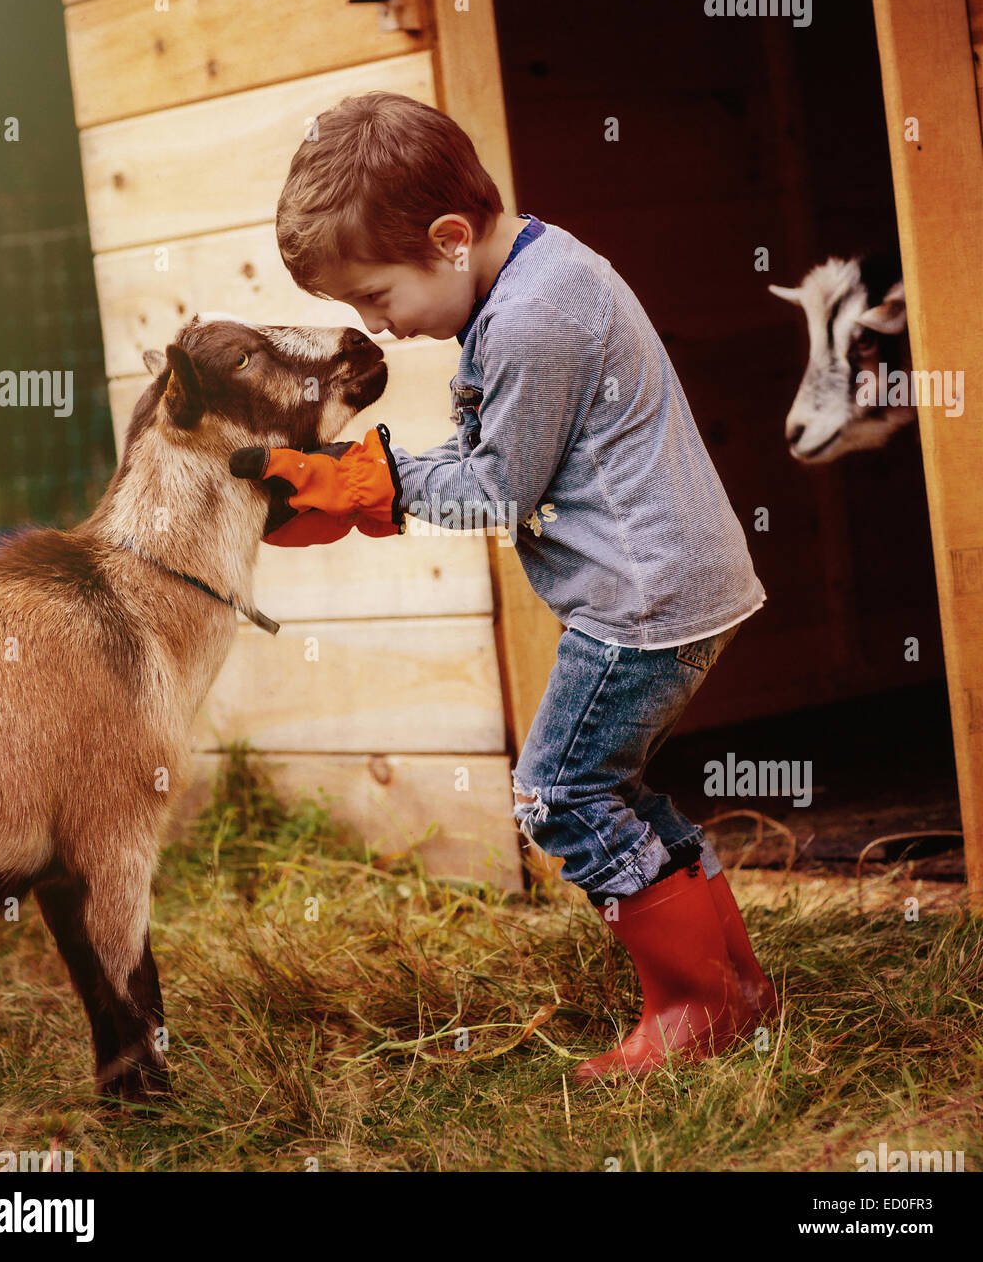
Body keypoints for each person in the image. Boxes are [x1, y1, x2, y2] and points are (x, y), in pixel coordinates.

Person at [229, 90, 779, 1080]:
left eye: (375, 296)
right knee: (602, 784)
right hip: (655, 588)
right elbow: (497, 461)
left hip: (641, 602)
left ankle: (697, 1006)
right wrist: (371, 490)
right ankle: (731, 990)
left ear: (447, 239)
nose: (376, 326)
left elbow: (494, 491)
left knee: (555, 791)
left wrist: (372, 478)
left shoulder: (534, 318)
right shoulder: (529, 280)